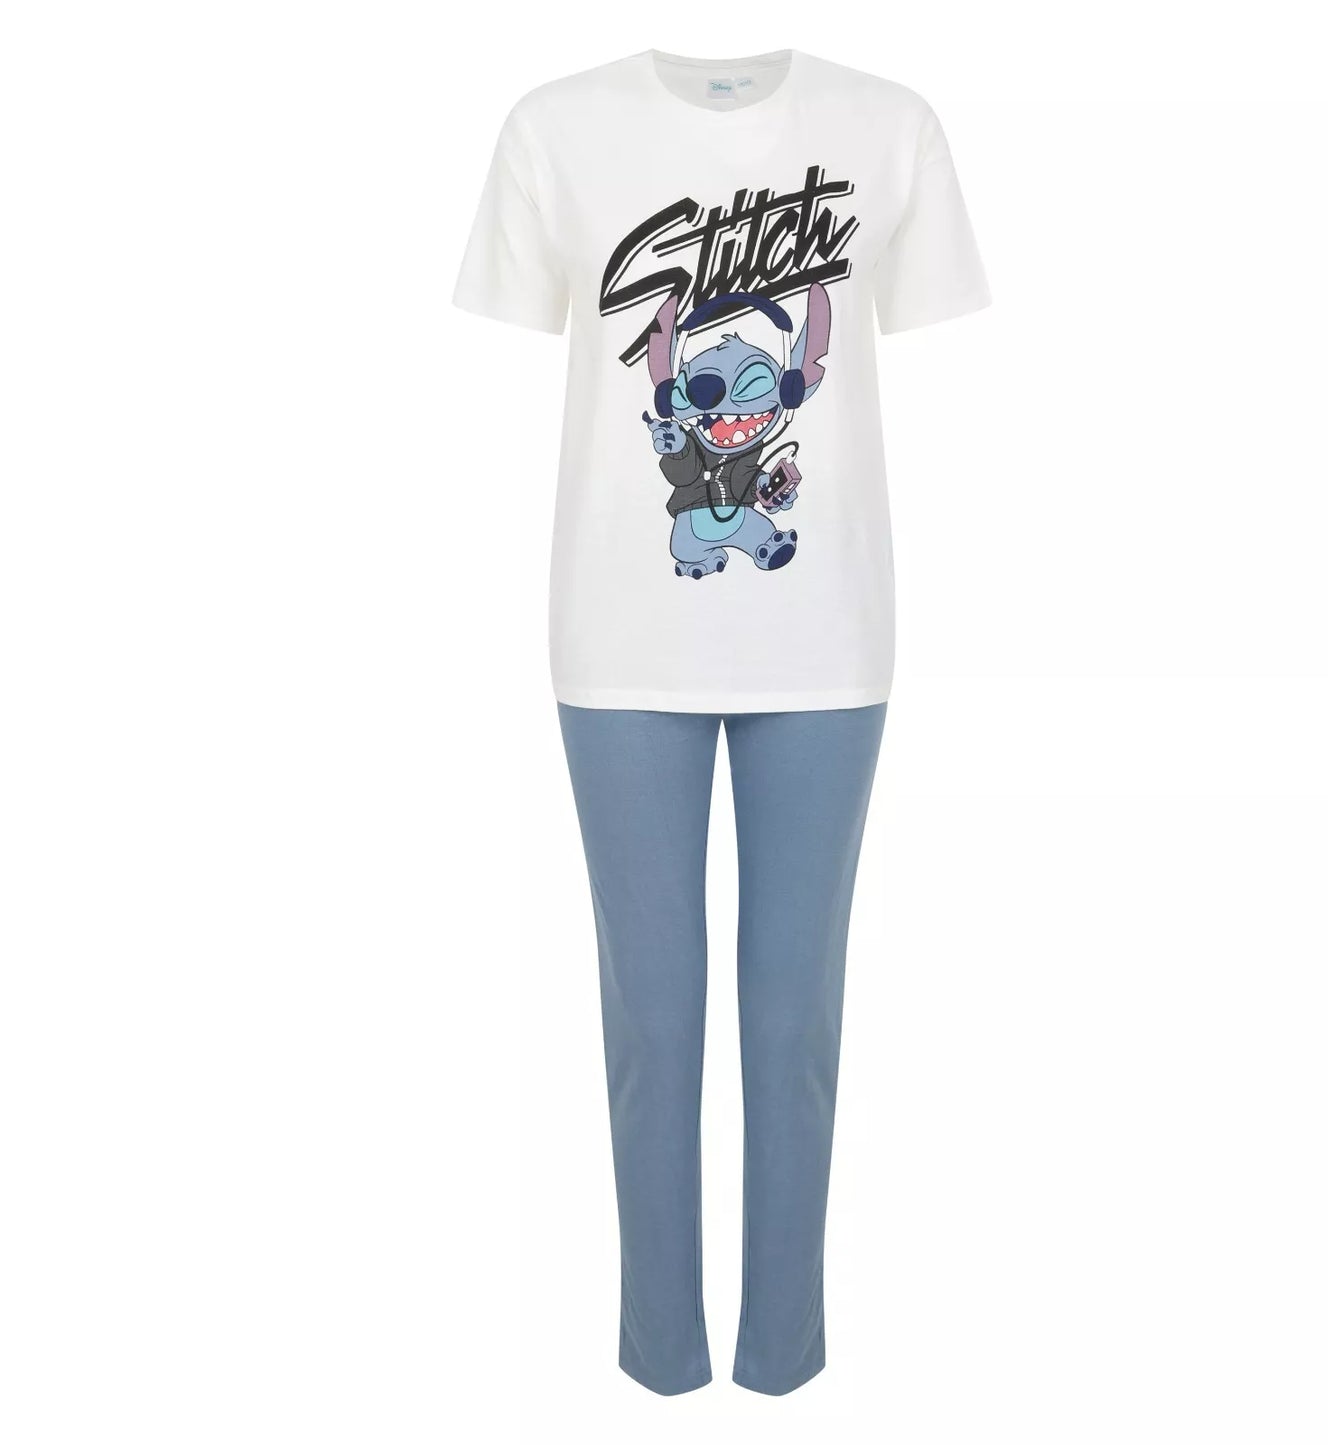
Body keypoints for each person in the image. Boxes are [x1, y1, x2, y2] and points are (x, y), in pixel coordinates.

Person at [455, 49, 989, 1395]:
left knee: (796, 1018)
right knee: (649, 1017)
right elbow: (608, 366)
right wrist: (671, 366)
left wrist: (798, 338)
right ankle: (660, 1359)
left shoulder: (892, 127)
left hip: (829, 644)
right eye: (713, 394)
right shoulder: (551, 128)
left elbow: (824, 361)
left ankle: (782, 1359)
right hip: (616, 643)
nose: (730, 409)